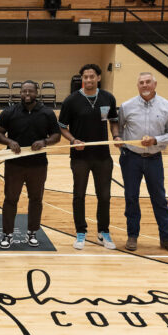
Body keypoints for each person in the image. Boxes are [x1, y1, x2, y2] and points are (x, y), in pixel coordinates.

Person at [116, 72, 168, 255]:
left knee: (159, 199)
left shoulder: (167, 107)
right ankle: (132, 236)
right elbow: (119, 129)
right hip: (131, 159)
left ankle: (167, 238)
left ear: (155, 84)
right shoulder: (126, 106)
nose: (144, 85)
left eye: (148, 82)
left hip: (154, 159)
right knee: (131, 198)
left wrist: (156, 140)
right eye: (141, 83)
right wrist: (119, 141)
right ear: (137, 86)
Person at [58, 64, 119, 250]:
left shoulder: (108, 98)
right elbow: (61, 126)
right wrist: (73, 140)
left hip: (103, 157)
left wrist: (116, 136)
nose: (89, 80)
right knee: (79, 195)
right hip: (80, 158)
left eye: (92, 76)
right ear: (82, 79)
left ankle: (103, 232)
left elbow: (114, 121)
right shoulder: (71, 100)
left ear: (98, 78)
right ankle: (80, 232)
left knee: (105, 196)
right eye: (85, 77)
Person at [0, 81, 61, 249]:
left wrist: (45, 141)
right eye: (24, 90)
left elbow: (56, 135)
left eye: (30, 91)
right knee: (10, 199)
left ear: (36, 93)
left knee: (36, 199)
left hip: (38, 165)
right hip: (14, 165)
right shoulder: (10, 111)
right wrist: (9, 141)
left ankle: (32, 232)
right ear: (20, 92)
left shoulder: (47, 113)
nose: (27, 93)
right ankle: (7, 234)